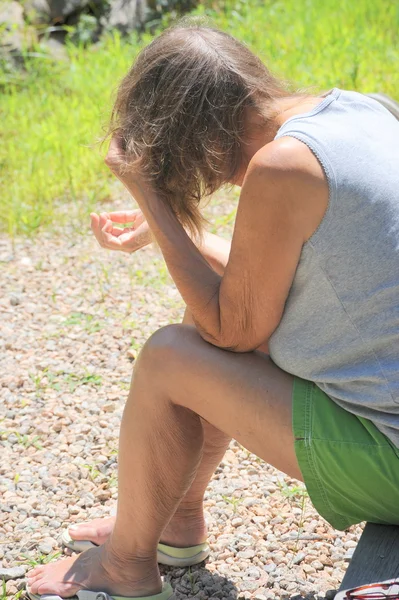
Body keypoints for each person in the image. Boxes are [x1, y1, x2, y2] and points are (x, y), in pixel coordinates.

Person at [27, 21, 399, 600]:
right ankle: (173, 522)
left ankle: (126, 565)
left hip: (390, 456)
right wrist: (168, 233)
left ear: (191, 134)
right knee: (194, 329)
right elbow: (265, 280)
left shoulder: (284, 166)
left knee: (170, 357)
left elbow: (231, 327)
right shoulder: (358, 110)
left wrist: (149, 197)